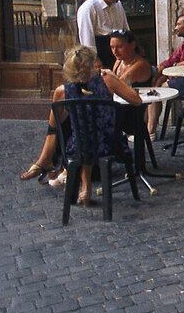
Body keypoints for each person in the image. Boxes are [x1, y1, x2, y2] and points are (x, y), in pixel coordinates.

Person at [20, 46, 142, 205]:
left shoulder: (61, 91)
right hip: (110, 144)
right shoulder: (107, 81)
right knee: (90, 137)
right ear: (94, 63)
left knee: (83, 136)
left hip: (78, 147)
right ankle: (83, 185)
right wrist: (114, 77)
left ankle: (83, 186)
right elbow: (136, 100)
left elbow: (54, 124)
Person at [76, 0, 129, 68]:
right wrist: (94, 58)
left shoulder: (117, 4)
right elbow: (87, 36)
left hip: (117, 44)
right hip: (100, 47)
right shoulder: (89, 8)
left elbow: (124, 26)